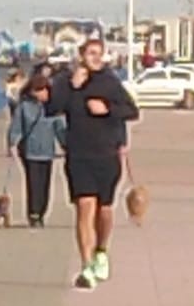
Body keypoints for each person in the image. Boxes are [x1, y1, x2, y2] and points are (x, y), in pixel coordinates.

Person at [48, 38, 139, 289]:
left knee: (104, 211)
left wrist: (107, 108)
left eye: (99, 53)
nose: (96, 57)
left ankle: (101, 251)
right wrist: (72, 87)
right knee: (84, 208)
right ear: (81, 56)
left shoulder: (109, 82)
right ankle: (86, 267)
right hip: (78, 155)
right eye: (91, 53)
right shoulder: (67, 82)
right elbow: (52, 108)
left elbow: (132, 111)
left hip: (107, 155)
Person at [7, 69, 66, 226]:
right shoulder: (24, 107)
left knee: (45, 183)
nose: (42, 93)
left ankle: (41, 212)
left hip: (47, 151)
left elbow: (59, 128)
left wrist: (66, 145)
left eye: (44, 89)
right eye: (38, 90)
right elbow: (16, 126)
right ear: (32, 91)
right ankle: (33, 214)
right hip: (29, 151)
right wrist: (12, 143)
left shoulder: (53, 108)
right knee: (33, 183)